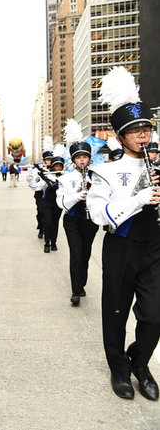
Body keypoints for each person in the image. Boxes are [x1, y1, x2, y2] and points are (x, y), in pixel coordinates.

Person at [86, 67, 160, 401]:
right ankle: (119, 369)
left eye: (146, 129)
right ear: (120, 136)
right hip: (122, 246)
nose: (143, 136)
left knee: (155, 315)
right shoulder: (105, 171)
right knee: (115, 312)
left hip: (154, 246)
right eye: (135, 131)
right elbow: (97, 214)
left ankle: (139, 363)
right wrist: (139, 198)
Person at [56, 126, 98, 306]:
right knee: (76, 254)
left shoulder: (97, 176)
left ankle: (81, 284)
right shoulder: (65, 178)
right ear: (73, 160)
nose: (82, 160)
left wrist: (93, 190)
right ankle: (75, 291)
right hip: (72, 219)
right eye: (78, 157)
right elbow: (61, 202)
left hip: (90, 220)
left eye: (85, 157)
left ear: (89, 158)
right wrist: (78, 195)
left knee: (86, 253)